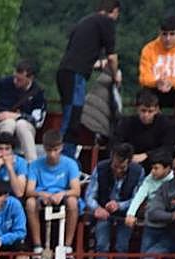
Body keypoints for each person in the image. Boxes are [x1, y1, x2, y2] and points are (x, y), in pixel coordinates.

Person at [57, 0, 121, 149]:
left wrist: (99, 64)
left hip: (65, 72)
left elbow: (81, 54)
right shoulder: (107, 22)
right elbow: (112, 57)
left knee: (71, 114)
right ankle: (64, 155)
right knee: (72, 118)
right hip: (75, 75)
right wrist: (114, 74)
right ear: (115, 11)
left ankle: (67, 152)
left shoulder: (85, 21)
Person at [83, 141, 143, 259]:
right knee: (101, 245)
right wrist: (97, 208)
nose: (117, 170)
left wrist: (120, 205)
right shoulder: (101, 168)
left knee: (122, 246)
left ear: (129, 162)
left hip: (126, 214)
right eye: (115, 166)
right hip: (103, 212)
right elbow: (89, 195)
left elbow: (137, 198)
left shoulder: (138, 172)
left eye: (122, 167)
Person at [24, 130, 81, 255]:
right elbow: (29, 190)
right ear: (44, 148)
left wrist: (62, 194)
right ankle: (37, 245)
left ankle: (68, 245)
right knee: (30, 203)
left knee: (72, 201)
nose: (52, 154)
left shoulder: (70, 164)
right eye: (49, 150)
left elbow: (76, 190)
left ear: (61, 147)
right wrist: (42, 194)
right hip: (42, 196)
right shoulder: (35, 165)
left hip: (62, 196)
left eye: (56, 150)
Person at [0, 60, 47, 162]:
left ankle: (32, 165)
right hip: (2, 126)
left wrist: (16, 116)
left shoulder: (37, 92)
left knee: (21, 124)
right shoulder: (4, 83)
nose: (16, 81)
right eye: (15, 77)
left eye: (20, 79)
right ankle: (1, 160)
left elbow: (37, 121)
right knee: (9, 123)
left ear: (30, 78)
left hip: (25, 129)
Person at [138, 14, 175, 119]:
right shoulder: (148, 49)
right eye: (164, 34)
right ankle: (156, 126)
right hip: (156, 87)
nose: (168, 38)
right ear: (159, 33)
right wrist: (156, 82)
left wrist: (173, 82)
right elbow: (144, 76)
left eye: (172, 34)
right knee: (144, 98)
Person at [113, 89, 175, 169]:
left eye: (150, 111)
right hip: (130, 161)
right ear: (137, 109)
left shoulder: (165, 124)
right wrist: (128, 156)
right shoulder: (126, 123)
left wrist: (146, 155)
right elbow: (117, 143)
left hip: (155, 164)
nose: (146, 115)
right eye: (143, 111)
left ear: (156, 110)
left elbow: (168, 148)